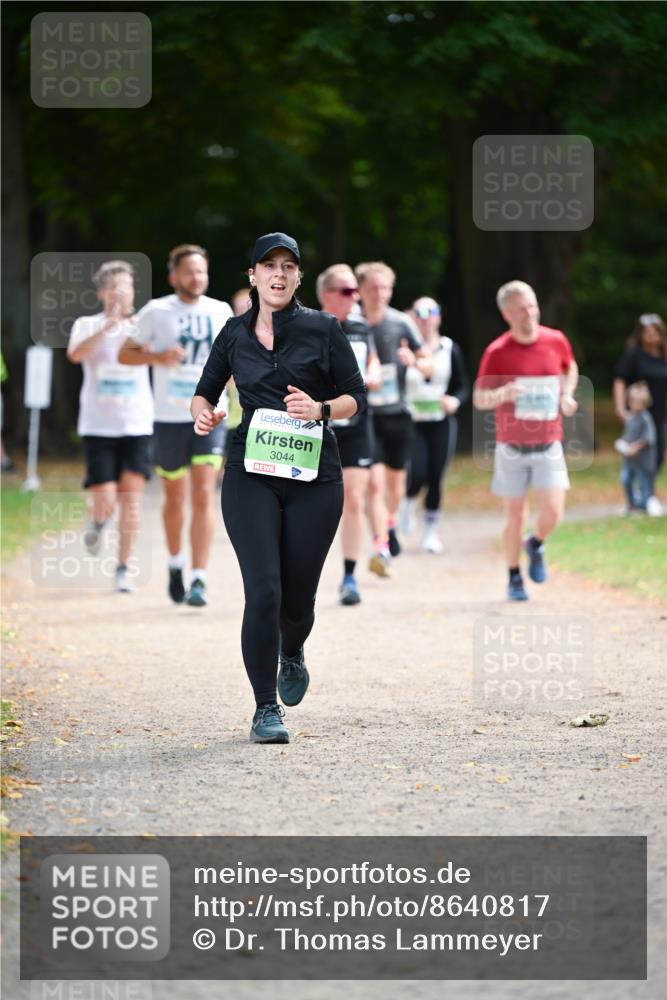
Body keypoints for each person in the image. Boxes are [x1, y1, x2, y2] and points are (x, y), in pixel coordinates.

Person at [191, 233, 366, 744]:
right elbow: (203, 392)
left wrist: (321, 410)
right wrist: (204, 413)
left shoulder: (323, 328)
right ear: (252, 276)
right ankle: (265, 708)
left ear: (297, 276)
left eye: (288, 266)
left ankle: (293, 649)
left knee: (297, 602)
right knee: (263, 590)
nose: (279, 274)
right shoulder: (232, 333)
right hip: (250, 470)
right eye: (269, 265)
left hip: (315, 479)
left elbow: (356, 396)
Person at [119, 244, 232, 606]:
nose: (197, 278)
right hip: (168, 417)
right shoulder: (156, 311)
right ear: (174, 276)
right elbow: (125, 352)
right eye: (189, 272)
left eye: (202, 271)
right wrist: (157, 356)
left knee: (202, 493)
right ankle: (174, 563)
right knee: (175, 497)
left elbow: (235, 359)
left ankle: (199, 578)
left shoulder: (221, 311)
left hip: (210, 416)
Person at [473, 280, 579, 601]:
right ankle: (514, 576)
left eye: (531, 306)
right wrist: (503, 393)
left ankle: (535, 543)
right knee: (515, 515)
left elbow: (569, 366)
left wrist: (567, 394)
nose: (529, 314)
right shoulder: (497, 351)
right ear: (506, 313)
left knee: (554, 512)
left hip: (549, 443)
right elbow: (479, 399)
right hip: (512, 446)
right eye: (520, 309)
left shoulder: (555, 340)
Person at [67, 261, 153, 593]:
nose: (121, 292)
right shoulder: (86, 324)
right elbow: (76, 355)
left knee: (131, 498)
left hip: (136, 422)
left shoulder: (144, 325)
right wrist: (109, 327)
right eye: (114, 286)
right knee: (106, 498)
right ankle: (99, 521)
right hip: (98, 424)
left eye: (127, 286)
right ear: (102, 292)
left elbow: (160, 357)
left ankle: (122, 568)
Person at [355, 261, 426, 576]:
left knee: (397, 483)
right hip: (364, 414)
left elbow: (428, 363)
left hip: (396, 412)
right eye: (372, 287)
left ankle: (391, 521)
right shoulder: (350, 324)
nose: (378, 294)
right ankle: (381, 545)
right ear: (360, 290)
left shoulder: (401, 323)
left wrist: (415, 361)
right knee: (373, 482)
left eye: (384, 288)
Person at [316, 263, 380, 605]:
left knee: (354, 499)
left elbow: (372, 361)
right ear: (327, 295)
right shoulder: (307, 327)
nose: (354, 297)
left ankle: (350, 576)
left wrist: (372, 374)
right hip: (316, 428)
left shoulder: (360, 327)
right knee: (313, 506)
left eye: (355, 290)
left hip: (356, 427)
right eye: (346, 291)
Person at [403, 296, 470, 553]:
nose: (427, 318)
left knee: (436, 476)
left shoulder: (449, 348)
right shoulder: (405, 348)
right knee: (417, 472)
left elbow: (463, 386)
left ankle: (430, 532)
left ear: (439, 317)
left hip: (441, 421)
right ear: (414, 318)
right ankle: (407, 504)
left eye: (432, 311)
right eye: (420, 312)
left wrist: (454, 400)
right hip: (412, 421)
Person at [613, 313, 667, 515]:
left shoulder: (663, 355)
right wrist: (620, 408)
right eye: (647, 332)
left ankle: (646, 493)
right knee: (637, 456)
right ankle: (641, 497)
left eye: (655, 332)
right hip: (640, 416)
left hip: (661, 415)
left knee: (658, 455)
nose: (652, 336)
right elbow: (620, 380)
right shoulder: (634, 355)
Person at [614, 382, 657, 514]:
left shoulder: (646, 419)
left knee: (643, 482)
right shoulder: (630, 417)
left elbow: (649, 438)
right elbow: (628, 436)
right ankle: (632, 504)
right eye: (633, 401)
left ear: (645, 402)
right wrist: (621, 443)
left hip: (643, 461)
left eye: (639, 401)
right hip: (630, 461)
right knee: (625, 479)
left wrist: (636, 447)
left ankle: (643, 506)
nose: (635, 404)